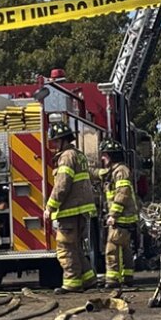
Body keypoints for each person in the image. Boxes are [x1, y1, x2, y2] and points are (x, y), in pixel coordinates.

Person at [41, 121, 97, 294]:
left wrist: (50, 207)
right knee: (76, 247)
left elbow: (62, 185)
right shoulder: (78, 155)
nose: (55, 146)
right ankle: (88, 279)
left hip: (70, 211)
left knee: (65, 248)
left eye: (56, 142)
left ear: (64, 141)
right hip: (80, 210)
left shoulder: (66, 157)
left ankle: (72, 283)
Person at [98, 139, 140, 288]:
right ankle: (127, 277)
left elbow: (122, 193)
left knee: (112, 248)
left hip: (121, 217)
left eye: (104, 155)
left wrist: (113, 215)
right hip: (125, 218)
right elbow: (101, 174)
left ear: (111, 156)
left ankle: (113, 280)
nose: (102, 158)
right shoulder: (117, 170)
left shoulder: (120, 171)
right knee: (125, 248)